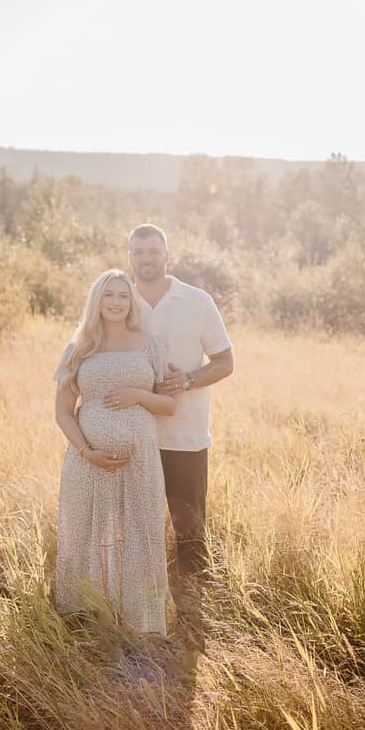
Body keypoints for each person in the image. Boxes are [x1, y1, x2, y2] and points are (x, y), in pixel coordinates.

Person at [52, 268, 177, 638]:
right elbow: (62, 411)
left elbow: (169, 405)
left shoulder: (149, 344)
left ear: (131, 301)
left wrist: (138, 395)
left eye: (123, 296)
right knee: (85, 534)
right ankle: (89, 620)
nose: (116, 303)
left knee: (141, 532)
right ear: (97, 302)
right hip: (87, 463)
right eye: (109, 295)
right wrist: (88, 451)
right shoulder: (78, 348)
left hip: (140, 461)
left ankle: (141, 625)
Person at [126, 223, 234, 649]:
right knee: (138, 530)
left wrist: (187, 381)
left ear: (166, 255)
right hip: (133, 436)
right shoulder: (119, 299)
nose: (146, 259)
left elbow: (225, 361)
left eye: (153, 250)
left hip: (185, 438)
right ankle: (141, 623)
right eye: (138, 252)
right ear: (130, 257)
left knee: (189, 533)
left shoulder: (196, 301)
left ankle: (191, 623)